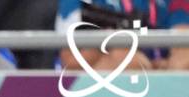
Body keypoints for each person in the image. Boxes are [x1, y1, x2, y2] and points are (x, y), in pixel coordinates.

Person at [56, 0, 189, 71]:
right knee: (126, 59)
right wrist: (108, 40)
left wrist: (165, 67)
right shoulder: (74, 2)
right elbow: (69, 62)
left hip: (161, 73)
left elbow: (183, 39)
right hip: (106, 76)